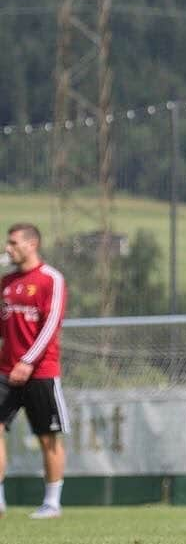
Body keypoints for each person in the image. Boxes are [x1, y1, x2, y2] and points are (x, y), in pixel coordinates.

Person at [0, 223, 68, 520]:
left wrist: (27, 361)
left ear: (32, 244)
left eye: (13, 243)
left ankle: (52, 503)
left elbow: (51, 325)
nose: (8, 248)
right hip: (5, 371)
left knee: (47, 437)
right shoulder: (6, 283)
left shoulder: (50, 279)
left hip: (40, 371)